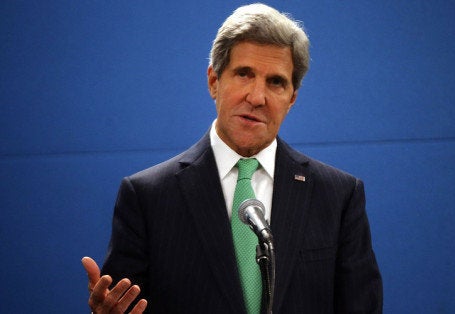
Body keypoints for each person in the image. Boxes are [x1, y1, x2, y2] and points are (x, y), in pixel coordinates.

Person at [82, 3, 382, 313]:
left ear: (292, 98)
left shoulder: (338, 196)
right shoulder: (148, 197)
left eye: (276, 82)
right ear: (214, 81)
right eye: (244, 74)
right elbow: (124, 305)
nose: (256, 97)